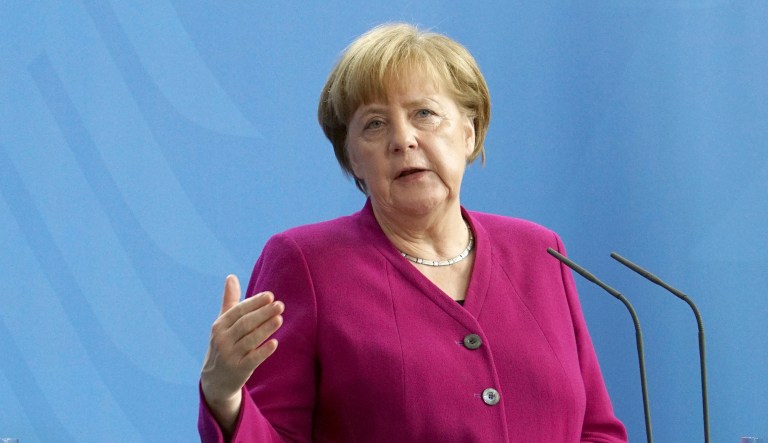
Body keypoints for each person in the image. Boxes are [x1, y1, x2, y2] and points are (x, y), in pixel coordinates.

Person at [198, 23, 628, 442]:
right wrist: (224, 396)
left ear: (469, 132)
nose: (403, 140)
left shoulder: (540, 251)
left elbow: (597, 430)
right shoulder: (306, 263)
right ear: (352, 159)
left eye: (425, 114)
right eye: (375, 124)